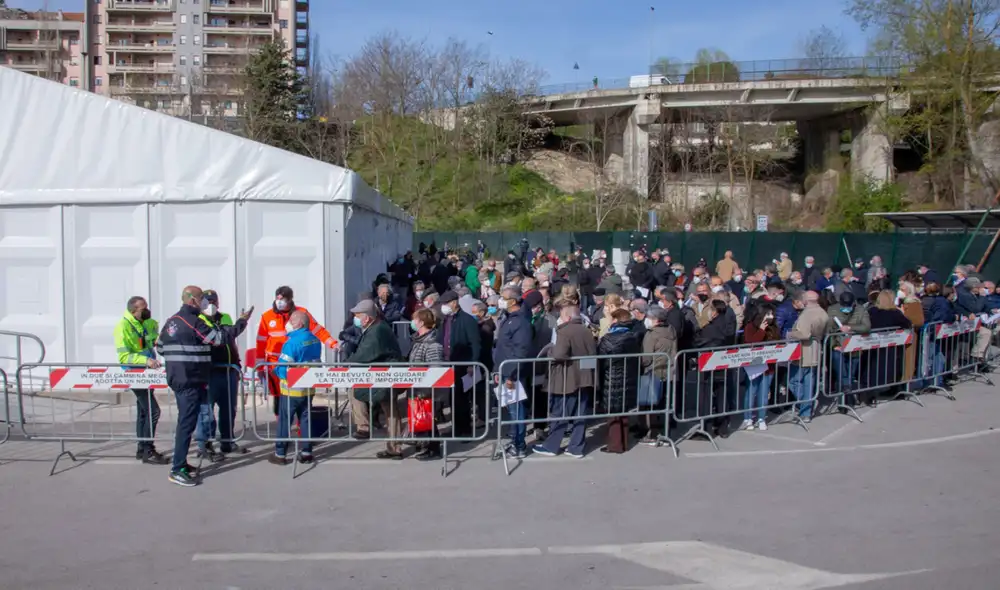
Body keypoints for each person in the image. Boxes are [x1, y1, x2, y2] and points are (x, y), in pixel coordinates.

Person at [157, 286, 253, 487]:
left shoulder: (171, 321)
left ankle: (182, 463)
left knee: (192, 421)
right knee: (186, 424)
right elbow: (220, 339)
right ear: (192, 300)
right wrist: (242, 322)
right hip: (190, 380)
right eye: (202, 299)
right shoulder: (193, 322)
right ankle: (177, 469)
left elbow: (160, 348)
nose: (205, 303)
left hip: (182, 378)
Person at [256, 286, 335, 416]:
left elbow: (317, 330)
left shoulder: (301, 313)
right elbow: (261, 341)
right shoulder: (267, 316)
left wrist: (332, 343)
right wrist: (259, 366)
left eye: (283, 299)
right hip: (275, 363)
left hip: (298, 361)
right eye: (277, 298)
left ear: (290, 299)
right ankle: (282, 424)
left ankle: (300, 427)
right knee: (279, 396)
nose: (279, 301)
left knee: (301, 396)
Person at [533, 305, 597, 458]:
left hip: (566, 379)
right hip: (585, 377)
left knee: (560, 413)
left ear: (567, 317)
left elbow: (559, 354)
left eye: (561, 315)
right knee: (580, 413)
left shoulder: (564, 331)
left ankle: (552, 446)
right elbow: (592, 353)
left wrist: (550, 351)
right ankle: (576, 447)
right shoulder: (587, 330)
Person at [195, 290, 249, 461]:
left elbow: (230, 340)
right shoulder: (198, 320)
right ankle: (205, 444)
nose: (211, 304)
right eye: (207, 301)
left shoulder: (224, 317)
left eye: (213, 301)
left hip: (228, 370)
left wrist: (237, 365)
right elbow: (219, 339)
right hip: (209, 372)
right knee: (206, 411)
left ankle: (227, 441)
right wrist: (242, 322)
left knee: (228, 409)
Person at [347, 299, 404, 455]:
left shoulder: (377, 330)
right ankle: (392, 445)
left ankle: (395, 447)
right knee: (388, 408)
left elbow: (364, 353)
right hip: (380, 373)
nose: (355, 318)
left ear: (367, 317)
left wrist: (346, 363)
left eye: (358, 315)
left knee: (390, 408)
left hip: (385, 375)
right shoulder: (376, 327)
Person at [114, 296, 167, 465]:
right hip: (135, 373)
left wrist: (157, 337)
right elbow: (124, 356)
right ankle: (148, 449)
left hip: (146, 373)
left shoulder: (143, 323)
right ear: (133, 310)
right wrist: (146, 361)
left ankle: (142, 448)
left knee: (144, 411)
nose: (146, 310)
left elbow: (147, 343)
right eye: (142, 308)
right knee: (154, 411)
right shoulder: (123, 327)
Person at [269, 310, 323, 465]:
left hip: (291, 390)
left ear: (299, 323)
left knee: (285, 422)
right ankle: (306, 452)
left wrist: (275, 370)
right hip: (308, 389)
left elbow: (282, 368)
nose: (288, 324)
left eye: (291, 321)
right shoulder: (315, 340)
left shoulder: (291, 343)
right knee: (305, 420)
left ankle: (280, 454)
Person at [493, 289, 534, 458]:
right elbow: (503, 347)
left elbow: (521, 351)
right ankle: (515, 441)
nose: (500, 301)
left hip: (513, 373)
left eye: (504, 298)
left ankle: (519, 445)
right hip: (504, 370)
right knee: (511, 410)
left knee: (517, 410)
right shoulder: (509, 320)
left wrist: (511, 375)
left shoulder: (521, 323)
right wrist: (497, 370)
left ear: (512, 301)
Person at [598, 309, 643, 454]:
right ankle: (623, 442)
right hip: (629, 377)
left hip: (611, 378)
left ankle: (615, 445)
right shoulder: (633, 336)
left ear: (616, 320)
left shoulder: (609, 339)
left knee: (613, 413)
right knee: (623, 411)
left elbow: (602, 360)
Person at [438, 291, 481, 438]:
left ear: (454, 303)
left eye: (446, 303)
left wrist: (472, 363)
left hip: (462, 364)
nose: (444, 306)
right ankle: (456, 428)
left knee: (461, 399)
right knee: (452, 398)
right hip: (448, 364)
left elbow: (475, 343)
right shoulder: (446, 319)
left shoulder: (467, 320)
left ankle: (465, 430)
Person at [406, 308, 445, 461]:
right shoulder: (418, 340)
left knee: (427, 418)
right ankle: (423, 445)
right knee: (422, 418)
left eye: (415, 319)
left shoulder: (432, 343)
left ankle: (432, 448)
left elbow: (436, 368)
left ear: (421, 322)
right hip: (416, 386)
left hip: (425, 388)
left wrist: (427, 387)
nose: (413, 322)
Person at [786, 291, 828, 422]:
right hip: (816, 350)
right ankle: (807, 412)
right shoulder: (823, 312)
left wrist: (790, 334)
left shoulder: (807, 314)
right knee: (809, 383)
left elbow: (804, 334)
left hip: (804, 352)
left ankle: (805, 405)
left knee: (793, 381)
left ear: (806, 300)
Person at [637, 306, 676, 445]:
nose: (646, 320)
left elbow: (646, 357)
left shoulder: (651, 334)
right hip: (669, 371)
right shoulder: (671, 330)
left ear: (656, 320)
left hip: (653, 371)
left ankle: (652, 434)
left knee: (650, 405)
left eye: (649, 318)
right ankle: (665, 434)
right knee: (665, 404)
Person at [826, 292, 871, 407]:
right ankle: (845, 400)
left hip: (854, 348)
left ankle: (847, 396)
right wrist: (833, 344)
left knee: (850, 374)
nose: (846, 308)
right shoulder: (832, 310)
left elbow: (866, 327)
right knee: (841, 373)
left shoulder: (860, 310)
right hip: (838, 346)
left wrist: (850, 328)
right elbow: (828, 329)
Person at [740, 299, 779, 431]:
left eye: (772, 314)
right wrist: (762, 330)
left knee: (763, 393)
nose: (771, 317)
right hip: (754, 365)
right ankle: (748, 417)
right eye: (768, 314)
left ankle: (762, 417)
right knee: (751, 392)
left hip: (769, 366)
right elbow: (751, 342)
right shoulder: (750, 326)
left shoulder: (774, 327)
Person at [898, 282, 925, 384]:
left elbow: (919, 321)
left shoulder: (914, 303)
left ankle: (906, 382)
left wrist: (903, 314)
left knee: (908, 360)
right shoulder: (901, 301)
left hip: (910, 336)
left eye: (902, 289)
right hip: (900, 336)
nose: (900, 291)